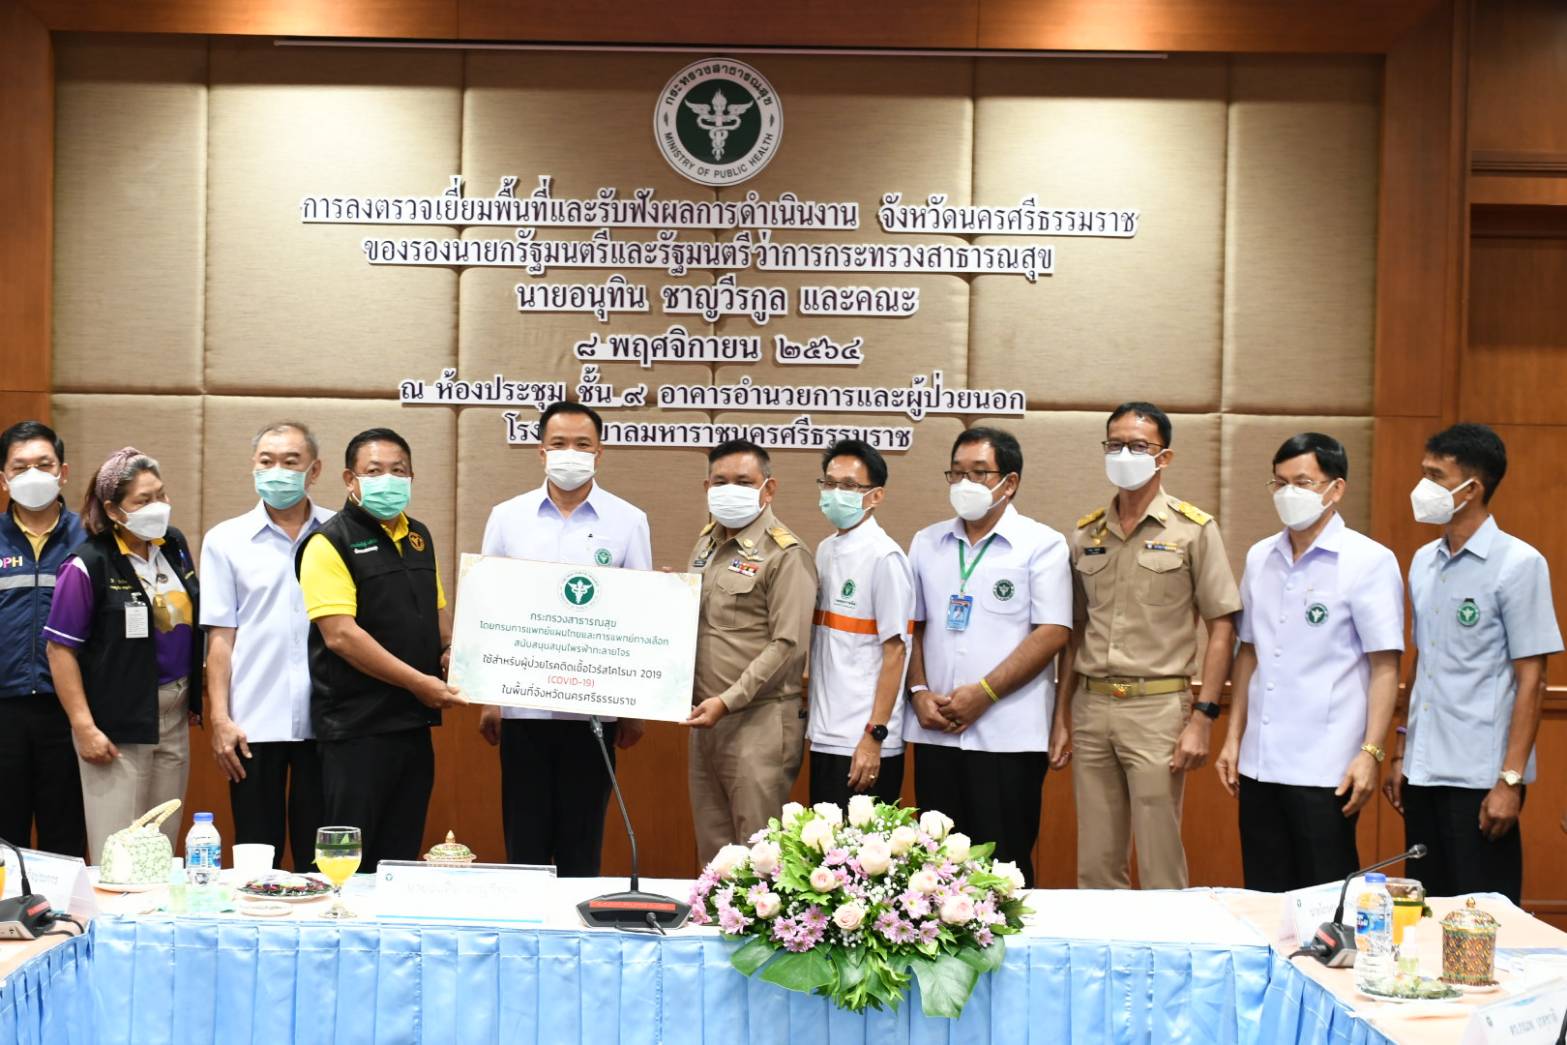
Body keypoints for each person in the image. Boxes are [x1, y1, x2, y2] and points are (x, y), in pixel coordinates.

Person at [1058, 402, 1241, 890]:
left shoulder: (1193, 530)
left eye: (1138, 446)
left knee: (1160, 857)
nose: (1124, 454)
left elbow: (1222, 625)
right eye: (1115, 444)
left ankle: (1166, 960)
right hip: (1092, 704)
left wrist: (1202, 718)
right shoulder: (1085, 534)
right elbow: (1073, 632)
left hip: (1158, 707)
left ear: (1164, 457)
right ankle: (1103, 961)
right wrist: (1062, 717)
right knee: (1095, 861)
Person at [1216, 433, 1403, 891]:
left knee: (1324, 896)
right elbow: (1249, 653)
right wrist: (1233, 737)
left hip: (1327, 765)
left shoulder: (1369, 561)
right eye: (1279, 483)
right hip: (1260, 762)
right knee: (1263, 890)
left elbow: (1385, 667)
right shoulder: (1261, 556)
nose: (1289, 494)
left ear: (1335, 489)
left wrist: (1370, 753)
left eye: (1302, 482)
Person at [1383, 423, 1561, 905]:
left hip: (1480, 779)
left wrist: (1510, 781)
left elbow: (1533, 680)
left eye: (1434, 475)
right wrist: (1401, 751)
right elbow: (1423, 661)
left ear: (1471, 488)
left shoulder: (1519, 563)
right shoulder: (1423, 560)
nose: (1422, 487)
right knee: (1423, 912)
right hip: (1422, 771)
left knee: (1482, 920)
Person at [476, 401, 650, 875]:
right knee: (525, 842)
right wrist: (490, 698)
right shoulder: (508, 517)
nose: (569, 454)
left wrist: (633, 708)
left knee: (581, 842)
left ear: (600, 453)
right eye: (558, 444)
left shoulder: (628, 520)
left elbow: (638, 615)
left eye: (581, 445)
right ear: (541, 452)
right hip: (522, 706)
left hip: (593, 712)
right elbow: (490, 607)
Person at [903, 427, 1072, 888]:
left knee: (1004, 872)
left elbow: (1053, 630)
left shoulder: (1042, 543)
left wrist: (985, 692)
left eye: (979, 473)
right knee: (934, 874)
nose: (966, 484)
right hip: (936, 730)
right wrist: (917, 691)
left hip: (1007, 736)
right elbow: (911, 627)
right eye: (957, 473)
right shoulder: (926, 542)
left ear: (1009, 482)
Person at [296, 428, 464, 869]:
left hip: (412, 725)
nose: (388, 480)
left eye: (399, 470)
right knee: (346, 863)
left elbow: (438, 609)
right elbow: (341, 636)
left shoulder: (419, 535)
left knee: (398, 860)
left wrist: (450, 651)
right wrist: (420, 683)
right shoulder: (328, 542)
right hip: (356, 730)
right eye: (375, 471)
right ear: (351, 479)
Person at [43, 447, 201, 860]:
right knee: (120, 854)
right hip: (115, 724)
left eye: (161, 496)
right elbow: (60, 650)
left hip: (174, 714)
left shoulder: (175, 545)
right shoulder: (87, 564)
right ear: (114, 511)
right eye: (143, 501)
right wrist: (84, 727)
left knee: (160, 850)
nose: (159, 507)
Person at [199, 422, 333, 871]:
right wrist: (219, 718)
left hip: (329, 720)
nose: (277, 472)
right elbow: (219, 638)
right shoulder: (225, 540)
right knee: (257, 858)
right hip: (252, 724)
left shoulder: (341, 532)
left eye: (291, 462)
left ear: (314, 470)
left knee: (323, 861)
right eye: (266, 461)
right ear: (252, 467)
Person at [684, 439, 816, 863]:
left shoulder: (786, 554)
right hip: (706, 721)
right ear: (706, 486)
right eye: (720, 481)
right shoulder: (706, 544)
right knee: (713, 856)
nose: (729, 489)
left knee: (760, 860)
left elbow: (788, 646)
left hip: (758, 722)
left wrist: (728, 700)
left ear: (769, 488)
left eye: (743, 481)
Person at [806, 438, 913, 808]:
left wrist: (874, 736)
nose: (836, 493)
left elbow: (896, 651)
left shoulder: (885, 557)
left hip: (862, 740)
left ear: (876, 496)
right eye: (829, 483)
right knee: (821, 859)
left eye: (849, 486)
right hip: (825, 733)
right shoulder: (824, 549)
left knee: (862, 862)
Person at [0, 421, 88, 857]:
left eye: (43, 464)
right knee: (4, 835)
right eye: (20, 466)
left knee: (65, 832)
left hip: (70, 711)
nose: (32, 474)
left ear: (63, 472)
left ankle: (64, 924)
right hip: (4, 710)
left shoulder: (91, 540)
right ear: (3, 478)